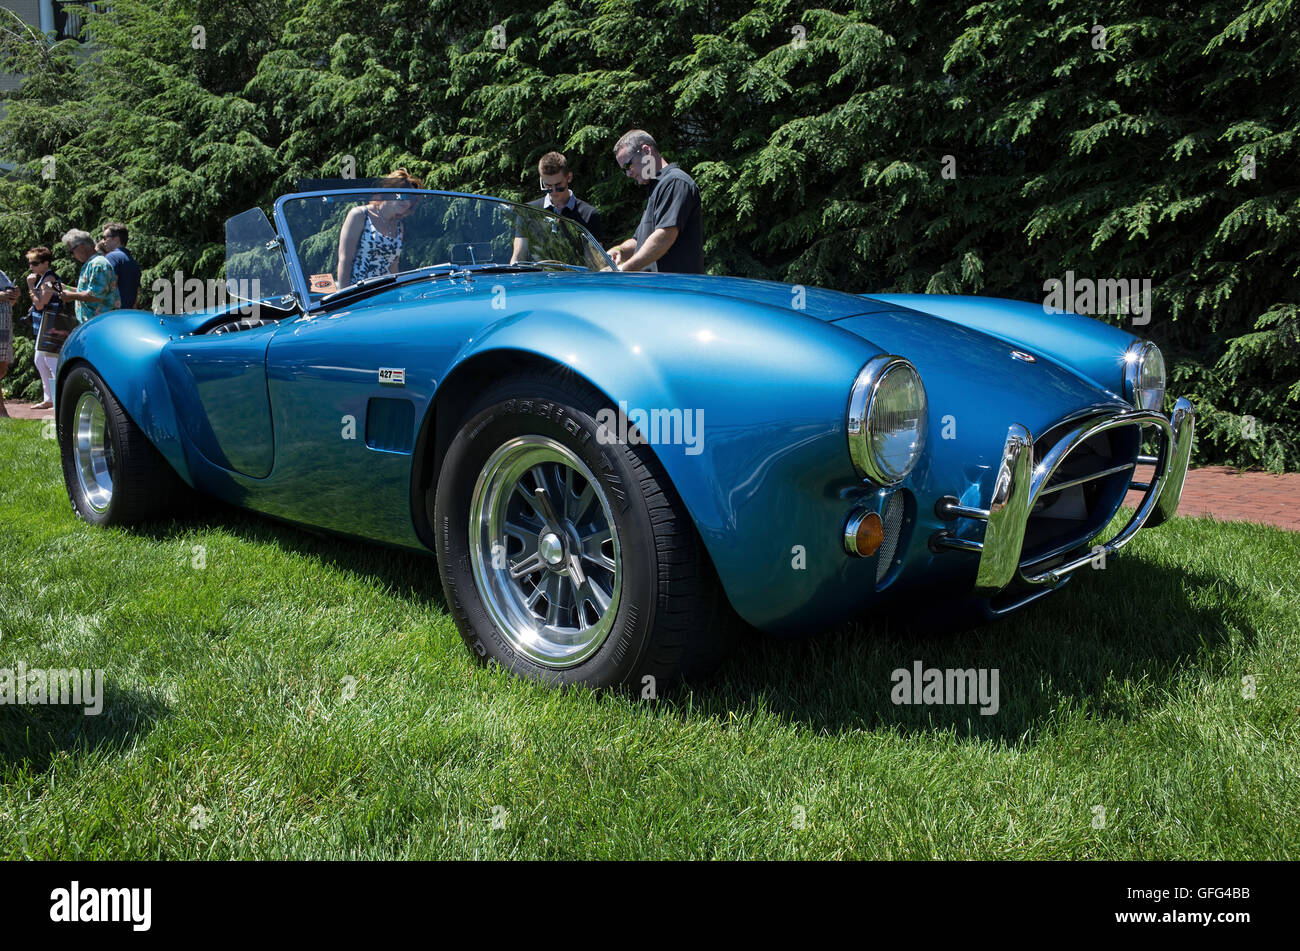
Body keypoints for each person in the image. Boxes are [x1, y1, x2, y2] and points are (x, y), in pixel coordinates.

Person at [606, 130, 703, 273]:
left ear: (646, 151)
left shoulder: (675, 182)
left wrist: (623, 269)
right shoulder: (657, 186)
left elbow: (664, 236)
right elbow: (639, 241)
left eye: (628, 165)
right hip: (658, 290)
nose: (628, 173)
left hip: (675, 290)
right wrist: (620, 250)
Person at [510, 151, 603, 263]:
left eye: (559, 186)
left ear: (569, 177)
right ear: (542, 181)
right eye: (548, 186)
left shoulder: (588, 214)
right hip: (538, 278)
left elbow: (595, 262)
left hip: (574, 278)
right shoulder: (528, 212)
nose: (553, 192)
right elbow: (518, 256)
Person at [336, 168, 422, 287]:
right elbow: (344, 260)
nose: (407, 203)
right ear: (389, 191)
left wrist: (398, 292)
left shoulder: (398, 226)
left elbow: (393, 266)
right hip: (357, 293)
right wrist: (343, 297)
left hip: (385, 292)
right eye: (402, 196)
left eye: (411, 199)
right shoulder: (360, 215)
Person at [24, 246, 64, 411]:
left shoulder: (49, 279)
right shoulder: (44, 278)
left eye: (35, 263)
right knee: (40, 360)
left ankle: (59, 401)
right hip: (45, 325)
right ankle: (49, 399)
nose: (31, 267)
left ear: (46, 263)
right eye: (30, 263)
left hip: (52, 325)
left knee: (51, 361)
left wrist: (30, 286)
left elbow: (40, 304)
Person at [59, 229, 120, 322]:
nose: (72, 256)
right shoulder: (91, 263)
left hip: (101, 324)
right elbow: (87, 291)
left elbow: (95, 295)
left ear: (82, 246)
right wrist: (66, 288)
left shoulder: (98, 264)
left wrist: (71, 296)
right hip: (93, 324)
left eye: (71, 251)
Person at [100, 221, 141, 309]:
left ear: (116, 239)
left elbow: (104, 288)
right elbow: (137, 295)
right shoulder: (133, 261)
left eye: (104, 237)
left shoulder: (112, 257)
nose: (102, 242)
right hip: (127, 314)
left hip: (112, 315)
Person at [0, 265, 17, 418]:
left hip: (5, 325)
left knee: (2, 369)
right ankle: (1, 410)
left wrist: (14, 295)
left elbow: (10, 301)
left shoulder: (1, 273)